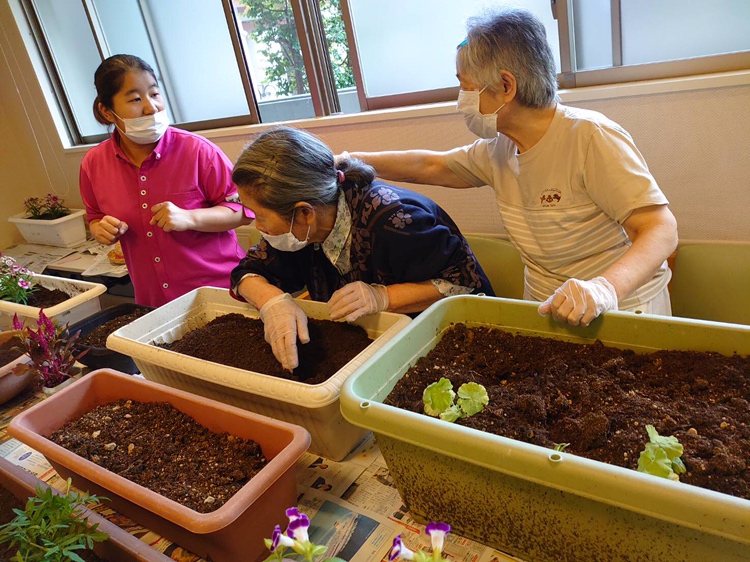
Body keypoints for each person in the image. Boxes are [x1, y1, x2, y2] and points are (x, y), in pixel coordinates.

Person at [339, 6, 678, 328]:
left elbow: (660, 229)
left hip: (622, 305)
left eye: (466, 86)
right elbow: (430, 165)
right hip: (547, 306)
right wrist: (350, 159)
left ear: (506, 85)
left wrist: (604, 289)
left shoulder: (590, 137)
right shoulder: (499, 150)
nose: (461, 98)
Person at [230, 126, 494, 371]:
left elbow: (464, 284)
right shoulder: (300, 230)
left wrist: (383, 297)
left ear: (304, 213)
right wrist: (272, 303)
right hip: (371, 345)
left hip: (441, 342)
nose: (257, 225)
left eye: (260, 216)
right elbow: (247, 272)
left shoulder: (396, 220)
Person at [80, 54, 253, 307]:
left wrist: (190, 218)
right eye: (135, 99)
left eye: (155, 94)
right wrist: (100, 229)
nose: (151, 107)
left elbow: (244, 210)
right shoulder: (93, 163)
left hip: (221, 291)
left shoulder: (198, 151)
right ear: (107, 111)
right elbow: (94, 216)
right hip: (154, 301)